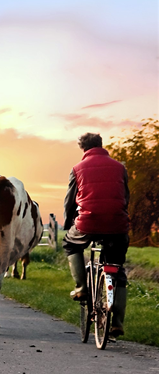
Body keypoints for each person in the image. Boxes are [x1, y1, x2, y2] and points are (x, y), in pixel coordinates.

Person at [63, 132, 130, 338]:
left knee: (70, 245)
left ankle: (82, 287)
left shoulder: (77, 169)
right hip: (117, 224)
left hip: (87, 223)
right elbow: (125, 196)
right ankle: (117, 322)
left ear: (84, 149)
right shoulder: (120, 167)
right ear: (101, 145)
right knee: (117, 271)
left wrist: (68, 223)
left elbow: (70, 201)